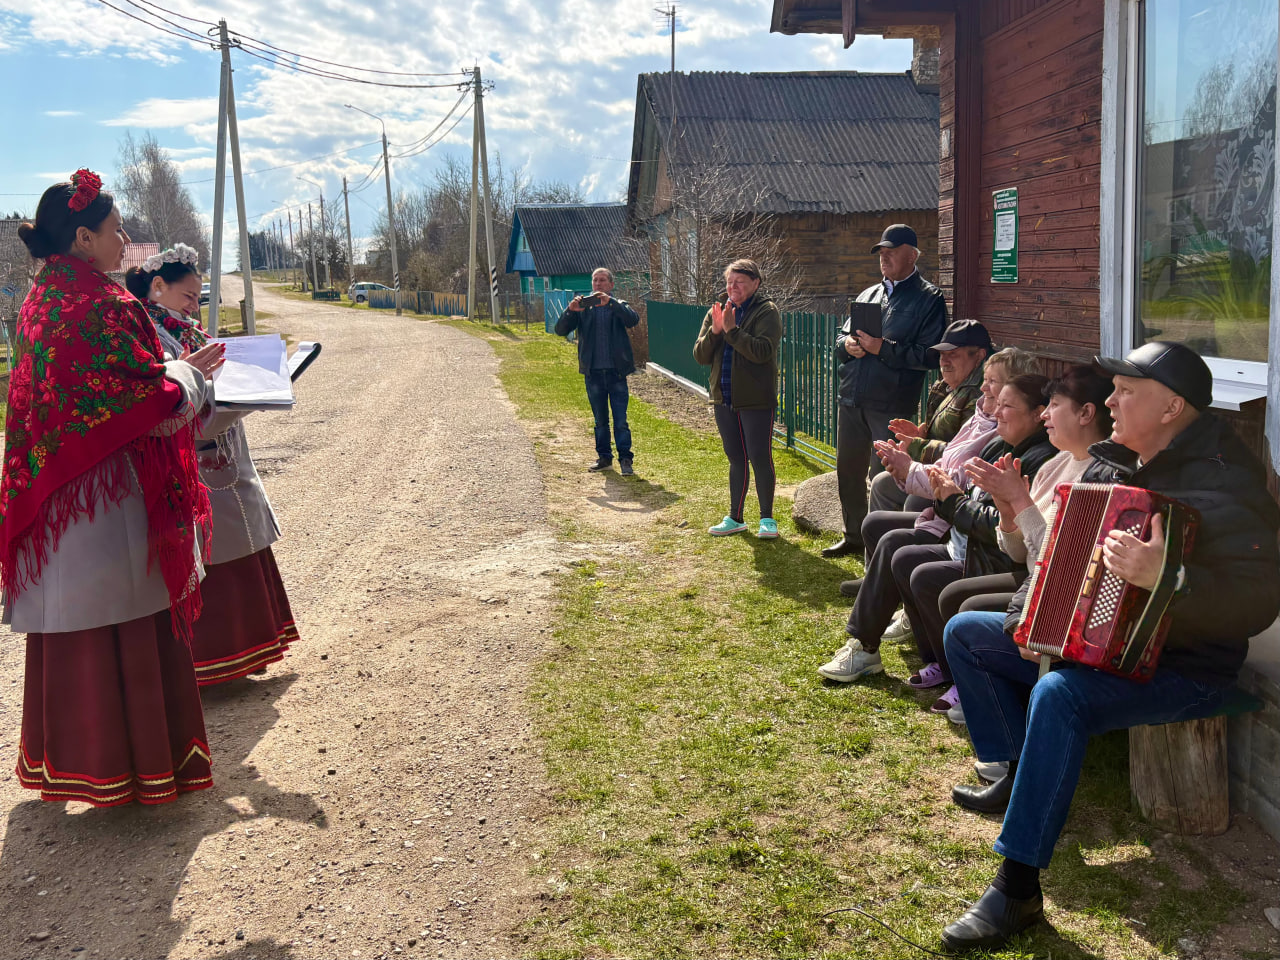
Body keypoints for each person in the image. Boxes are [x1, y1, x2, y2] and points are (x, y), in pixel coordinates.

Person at [938, 342, 1280, 953]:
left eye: (1126, 391)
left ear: (1172, 407)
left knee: (1059, 694)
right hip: (1097, 646)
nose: (1111, 401)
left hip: (1187, 667)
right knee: (967, 634)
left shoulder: (1228, 481)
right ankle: (1017, 773)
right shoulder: (1114, 463)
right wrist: (1027, 619)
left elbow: (1257, 602)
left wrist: (1170, 580)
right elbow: (1060, 556)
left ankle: (1017, 888)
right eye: (1113, 389)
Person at [3, 171, 226, 806]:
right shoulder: (104, 306)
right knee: (125, 617)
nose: (124, 240)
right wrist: (186, 375)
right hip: (109, 496)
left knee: (72, 621)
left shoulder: (40, 300)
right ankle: (142, 767)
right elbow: (149, 403)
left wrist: (168, 372)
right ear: (82, 238)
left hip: (58, 492)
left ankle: (73, 764)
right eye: (115, 230)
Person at [126, 244, 300, 686]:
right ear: (157, 286)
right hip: (192, 462)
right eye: (188, 295)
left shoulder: (187, 331)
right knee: (213, 553)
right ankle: (216, 663)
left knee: (241, 542)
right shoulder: (151, 336)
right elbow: (170, 405)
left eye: (197, 296)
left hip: (223, 452)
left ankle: (254, 648)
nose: (193, 305)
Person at [814, 350, 1018, 683]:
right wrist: (912, 457)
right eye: (985, 381)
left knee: (897, 544)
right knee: (876, 524)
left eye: (993, 383)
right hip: (950, 519)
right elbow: (949, 458)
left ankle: (868, 644)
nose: (984, 389)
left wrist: (911, 466)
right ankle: (885, 626)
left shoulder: (1004, 432)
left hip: (960, 530)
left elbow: (958, 482)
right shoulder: (980, 414)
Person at [899, 375, 1055, 714]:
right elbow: (1006, 531)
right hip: (989, 552)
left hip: (1012, 567)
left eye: (1006, 405)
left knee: (952, 595)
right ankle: (945, 667)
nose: (995, 412)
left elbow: (1040, 551)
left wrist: (954, 503)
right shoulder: (1001, 446)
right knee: (906, 559)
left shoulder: (1044, 459)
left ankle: (974, 682)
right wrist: (946, 494)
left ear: (1037, 413)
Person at [823, 224, 947, 559]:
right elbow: (839, 339)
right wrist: (847, 345)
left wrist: (883, 348)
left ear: (913, 256)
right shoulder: (868, 295)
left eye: (892, 251)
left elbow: (930, 355)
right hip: (852, 397)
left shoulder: (929, 298)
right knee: (848, 471)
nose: (884, 257)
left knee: (885, 475)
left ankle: (880, 548)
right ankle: (853, 535)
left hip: (890, 402)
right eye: (881, 252)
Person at [842, 318, 992, 596]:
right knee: (883, 482)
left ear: (979, 355)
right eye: (942, 354)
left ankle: (898, 576)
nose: (944, 361)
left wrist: (918, 446)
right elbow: (947, 435)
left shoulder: (980, 396)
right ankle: (878, 575)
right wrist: (920, 432)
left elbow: (965, 451)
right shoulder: (948, 385)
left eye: (954, 354)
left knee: (906, 494)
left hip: (957, 482)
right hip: (936, 468)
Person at [692, 259, 783, 539]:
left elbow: (762, 352)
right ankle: (735, 517)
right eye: (730, 282)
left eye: (740, 282)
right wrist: (716, 331)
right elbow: (700, 356)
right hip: (724, 397)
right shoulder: (717, 311)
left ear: (755, 283)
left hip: (756, 399)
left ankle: (767, 519)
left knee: (759, 457)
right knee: (736, 457)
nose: (733, 287)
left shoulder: (767, 311)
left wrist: (732, 331)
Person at [554, 268, 641, 475]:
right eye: (595, 280)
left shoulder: (618, 305)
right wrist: (570, 311)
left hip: (616, 373)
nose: (598, 284)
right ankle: (604, 458)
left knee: (620, 420)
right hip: (593, 373)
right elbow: (560, 330)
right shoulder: (584, 308)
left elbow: (632, 320)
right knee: (600, 420)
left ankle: (625, 459)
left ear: (611, 285)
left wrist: (611, 303)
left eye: (602, 280)